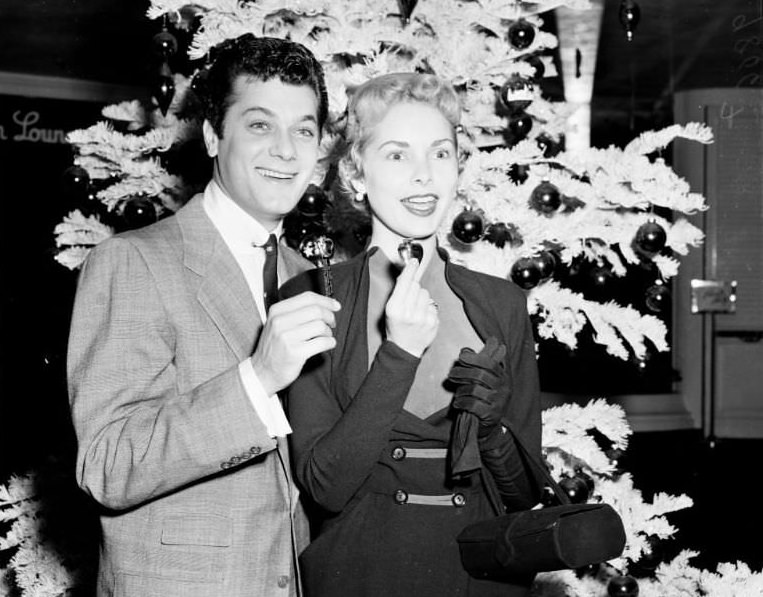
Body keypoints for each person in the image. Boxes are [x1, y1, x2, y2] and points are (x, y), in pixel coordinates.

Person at [67, 34, 340, 597]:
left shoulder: (311, 279)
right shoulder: (134, 261)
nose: (287, 151)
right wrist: (257, 380)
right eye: (261, 125)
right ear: (215, 136)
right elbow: (107, 464)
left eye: (304, 130)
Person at [282, 72, 545, 597]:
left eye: (440, 154)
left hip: (479, 578)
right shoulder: (311, 296)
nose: (424, 176)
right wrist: (398, 354)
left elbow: (521, 496)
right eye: (398, 156)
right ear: (357, 176)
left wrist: (491, 430)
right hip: (363, 571)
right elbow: (325, 487)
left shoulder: (503, 304)